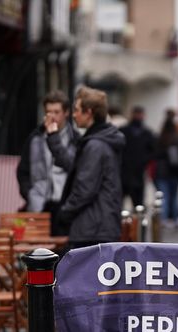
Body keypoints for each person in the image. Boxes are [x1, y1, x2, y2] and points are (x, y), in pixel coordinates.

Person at [57, 86, 125, 249]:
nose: (74, 114)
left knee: (79, 274)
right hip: (98, 226)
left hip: (92, 229)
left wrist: (64, 212)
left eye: (77, 110)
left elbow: (85, 188)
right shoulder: (100, 141)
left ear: (89, 112)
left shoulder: (95, 145)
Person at [16, 90, 80, 235]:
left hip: (66, 207)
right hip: (39, 206)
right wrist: (30, 193)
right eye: (49, 112)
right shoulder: (35, 138)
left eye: (56, 112)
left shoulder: (76, 140)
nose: (52, 116)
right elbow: (23, 171)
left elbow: (76, 170)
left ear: (66, 113)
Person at [155, 109, 178, 227]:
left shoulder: (161, 138)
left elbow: (155, 154)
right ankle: (175, 218)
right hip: (175, 172)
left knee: (164, 197)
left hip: (162, 171)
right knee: (174, 196)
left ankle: (164, 219)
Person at [119, 106, 155, 208]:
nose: (139, 116)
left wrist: (144, 161)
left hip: (138, 174)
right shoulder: (124, 131)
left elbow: (153, 151)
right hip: (124, 174)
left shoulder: (147, 133)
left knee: (138, 205)